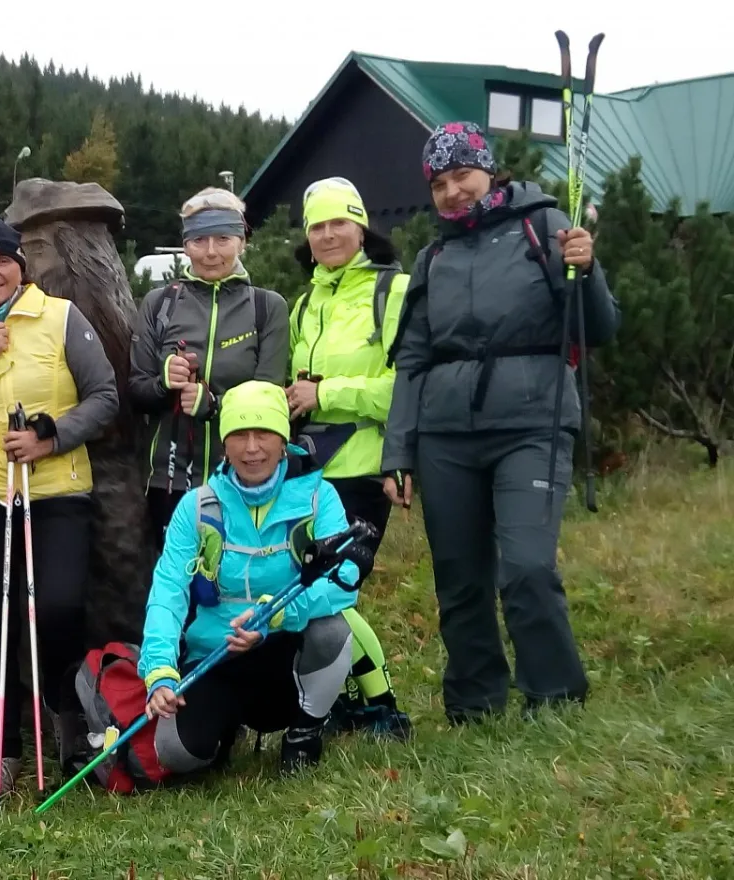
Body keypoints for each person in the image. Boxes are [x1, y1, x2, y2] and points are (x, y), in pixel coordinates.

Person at [382, 121, 620, 724]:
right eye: (439, 183)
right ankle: (474, 704)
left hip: (533, 423)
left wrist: (587, 269)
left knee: (527, 566)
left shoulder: (545, 226)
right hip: (445, 435)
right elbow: (412, 361)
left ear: (489, 170)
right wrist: (398, 453)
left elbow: (599, 328)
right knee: (459, 577)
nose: (452, 191)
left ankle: (554, 697)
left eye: (462, 175)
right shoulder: (433, 257)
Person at [0, 217, 119, 798]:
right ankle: (0, 747)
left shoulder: (61, 316)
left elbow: (105, 396)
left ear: (20, 267)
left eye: (3, 261)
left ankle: (69, 726)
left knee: (57, 609)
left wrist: (50, 437)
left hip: (57, 491)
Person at [138, 381, 364, 775]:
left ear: (284, 441)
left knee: (333, 631)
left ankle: (306, 729)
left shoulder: (319, 497)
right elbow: (168, 589)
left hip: (286, 646)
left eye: (264, 433)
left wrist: (276, 614)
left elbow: (344, 577)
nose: (252, 448)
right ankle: (225, 731)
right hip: (216, 652)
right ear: (224, 443)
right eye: (240, 435)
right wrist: (159, 670)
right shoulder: (196, 506)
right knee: (176, 754)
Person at [286, 177, 412, 740]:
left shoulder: (394, 291)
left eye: (340, 222)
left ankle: (383, 705)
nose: (328, 234)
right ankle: (342, 699)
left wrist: (326, 393)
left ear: (361, 227)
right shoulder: (304, 304)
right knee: (311, 588)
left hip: (363, 465)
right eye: (317, 225)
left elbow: (406, 387)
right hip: (310, 469)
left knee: (332, 586)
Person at [128, 187, 289, 547]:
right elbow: (136, 391)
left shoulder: (267, 307)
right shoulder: (159, 303)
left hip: (242, 474)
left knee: (236, 576)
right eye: (199, 240)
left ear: (242, 243)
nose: (211, 251)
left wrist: (214, 405)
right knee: (175, 576)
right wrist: (164, 384)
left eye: (223, 239)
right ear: (185, 246)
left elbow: (270, 397)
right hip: (166, 479)